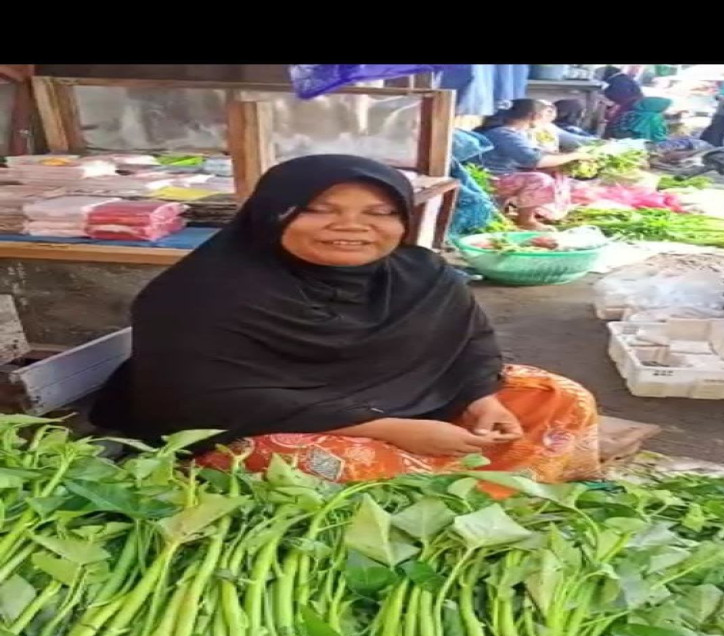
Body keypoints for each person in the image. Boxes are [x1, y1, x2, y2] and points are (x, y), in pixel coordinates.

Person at [91, 154, 601, 486]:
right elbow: (201, 399)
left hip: (419, 406)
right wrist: (388, 430)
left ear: (403, 220)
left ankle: (487, 490)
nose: (351, 227)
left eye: (380, 213)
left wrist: (479, 398)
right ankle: (462, 497)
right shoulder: (201, 292)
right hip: (274, 425)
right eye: (320, 209)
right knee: (305, 462)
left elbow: (470, 344)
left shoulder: (420, 273)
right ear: (273, 215)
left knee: (560, 400)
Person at [474, 99, 591, 229]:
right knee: (540, 180)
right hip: (490, 179)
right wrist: (575, 155)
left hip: (503, 176)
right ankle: (526, 221)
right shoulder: (504, 134)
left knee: (551, 173)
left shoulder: (516, 133)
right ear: (535, 116)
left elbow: (538, 154)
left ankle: (518, 212)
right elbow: (534, 160)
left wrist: (562, 160)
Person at [609, 96, 710, 155]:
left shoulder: (631, 113)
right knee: (696, 143)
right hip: (645, 146)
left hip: (625, 143)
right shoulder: (653, 117)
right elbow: (658, 137)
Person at [600, 65, 644, 133]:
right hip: (636, 112)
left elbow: (619, 97)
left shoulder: (616, 80)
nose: (637, 70)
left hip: (624, 111)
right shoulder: (629, 80)